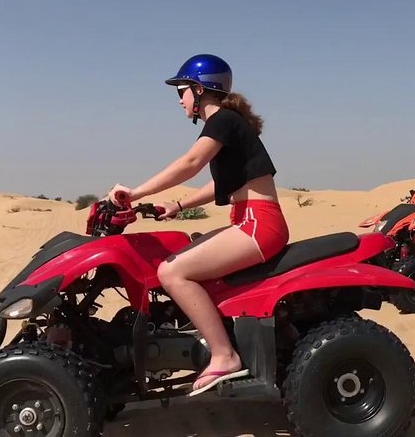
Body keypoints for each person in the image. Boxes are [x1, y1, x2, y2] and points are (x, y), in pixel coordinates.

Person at [108, 54, 290, 396]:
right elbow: (221, 186)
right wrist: (177, 204)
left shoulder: (222, 120)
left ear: (200, 89)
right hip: (251, 220)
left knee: (171, 272)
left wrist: (133, 192)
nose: (179, 99)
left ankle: (224, 355)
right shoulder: (230, 126)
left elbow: (190, 163)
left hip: (257, 224)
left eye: (182, 91)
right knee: (185, 251)